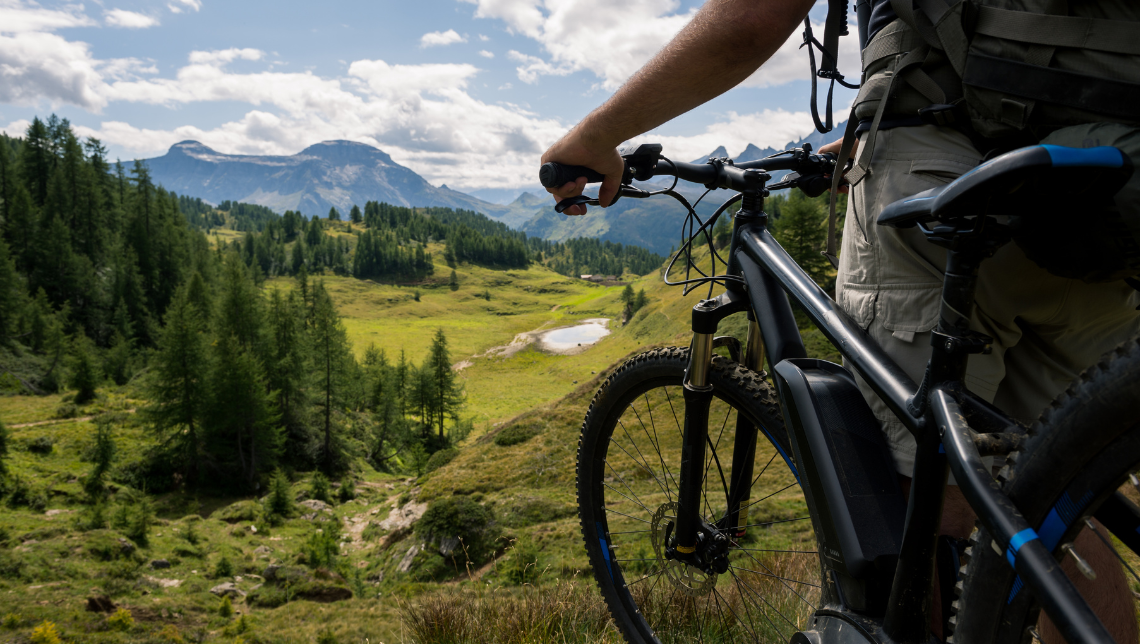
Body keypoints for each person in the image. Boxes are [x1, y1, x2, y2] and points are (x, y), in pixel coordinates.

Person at [540, 0, 1140, 641]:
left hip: (947, 189)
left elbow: (749, 18)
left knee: (913, 497)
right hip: (1109, 197)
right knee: (1056, 499)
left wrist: (596, 136)